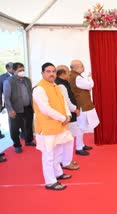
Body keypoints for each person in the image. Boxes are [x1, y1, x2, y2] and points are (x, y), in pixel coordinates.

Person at [33, 62, 73, 190]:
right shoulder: (39, 88)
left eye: (53, 71)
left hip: (60, 125)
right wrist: (63, 118)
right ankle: (50, 181)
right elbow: (45, 109)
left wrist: (68, 115)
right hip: (47, 128)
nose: (51, 74)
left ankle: (58, 173)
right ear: (42, 73)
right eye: (48, 71)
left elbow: (63, 102)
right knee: (48, 155)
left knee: (58, 152)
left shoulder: (55, 86)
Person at [3, 62, 36, 153]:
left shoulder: (27, 80)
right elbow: (6, 97)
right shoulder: (9, 81)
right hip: (15, 109)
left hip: (28, 107)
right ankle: (17, 145)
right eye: (20, 70)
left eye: (23, 70)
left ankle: (29, 141)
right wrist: (10, 110)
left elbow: (30, 93)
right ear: (14, 71)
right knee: (15, 128)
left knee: (28, 126)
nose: (22, 72)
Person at [69, 60, 99, 155]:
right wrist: (90, 77)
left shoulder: (75, 76)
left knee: (82, 126)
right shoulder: (76, 77)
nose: (83, 67)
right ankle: (78, 147)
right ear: (77, 67)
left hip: (82, 104)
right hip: (81, 105)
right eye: (82, 66)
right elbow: (90, 85)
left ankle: (81, 145)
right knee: (81, 127)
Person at [55, 65, 80, 170]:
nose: (70, 73)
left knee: (66, 139)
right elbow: (66, 101)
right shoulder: (61, 85)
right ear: (62, 74)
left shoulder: (62, 83)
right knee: (68, 139)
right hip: (68, 115)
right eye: (68, 72)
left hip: (66, 115)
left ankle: (64, 160)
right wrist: (75, 109)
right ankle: (66, 162)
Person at [0, 62, 14, 156]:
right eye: (13, 67)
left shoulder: (16, 77)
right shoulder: (2, 77)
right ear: (8, 68)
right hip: (8, 102)